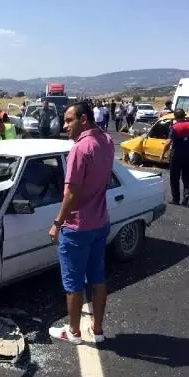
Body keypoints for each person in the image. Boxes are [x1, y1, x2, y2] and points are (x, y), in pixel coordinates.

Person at [48, 101, 115, 344]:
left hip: (77, 227)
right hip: (100, 222)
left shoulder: (79, 149)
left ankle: (73, 332)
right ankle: (97, 331)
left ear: (83, 119)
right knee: (98, 277)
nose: (64, 125)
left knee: (73, 283)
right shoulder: (107, 141)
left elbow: (72, 193)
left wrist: (57, 222)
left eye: (68, 120)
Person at [160, 108, 189, 205]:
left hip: (176, 156)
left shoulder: (174, 127)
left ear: (175, 117)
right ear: (185, 115)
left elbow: (169, 142)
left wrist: (162, 154)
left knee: (174, 178)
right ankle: (186, 193)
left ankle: (176, 199)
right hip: (188, 155)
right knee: (187, 176)